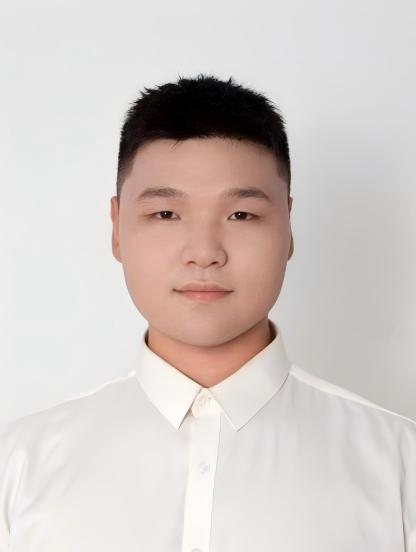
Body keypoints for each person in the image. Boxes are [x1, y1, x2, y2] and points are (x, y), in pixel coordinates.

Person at [0, 73, 415, 552]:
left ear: (288, 228)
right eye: (165, 214)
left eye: (242, 215)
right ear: (117, 229)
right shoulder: (21, 464)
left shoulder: (399, 464)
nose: (204, 253)